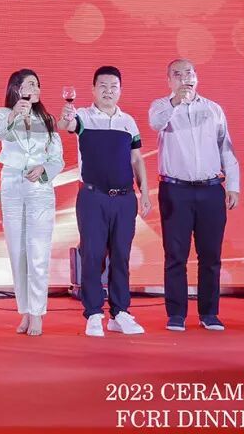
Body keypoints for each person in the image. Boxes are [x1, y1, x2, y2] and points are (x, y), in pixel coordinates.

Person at [148, 59, 240, 333]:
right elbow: (155, 124)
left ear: (196, 77)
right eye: (177, 75)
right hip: (175, 190)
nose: (184, 78)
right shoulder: (161, 106)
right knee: (175, 255)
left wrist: (233, 185)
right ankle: (176, 314)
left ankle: (209, 313)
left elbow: (226, 147)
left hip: (211, 189)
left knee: (210, 255)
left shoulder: (213, 109)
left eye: (188, 73)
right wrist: (177, 101)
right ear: (169, 80)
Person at [59, 65, 151, 337]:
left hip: (124, 199)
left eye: (113, 87)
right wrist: (65, 117)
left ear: (120, 90)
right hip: (92, 197)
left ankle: (120, 313)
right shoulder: (83, 116)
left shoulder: (128, 122)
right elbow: (66, 125)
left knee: (121, 256)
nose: (108, 91)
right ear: (93, 89)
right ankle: (94, 313)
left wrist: (145, 192)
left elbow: (136, 159)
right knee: (93, 255)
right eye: (103, 86)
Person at [0, 69, 64, 336]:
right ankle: (24, 310)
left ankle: (37, 313)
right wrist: (14, 114)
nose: (36, 88)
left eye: (37, 84)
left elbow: (57, 159)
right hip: (12, 184)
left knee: (38, 251)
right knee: (17, 251)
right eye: (30, 84)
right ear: (16, 89)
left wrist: (44, 169)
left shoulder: (47, 119)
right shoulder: (3, 113)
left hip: (39, 187)